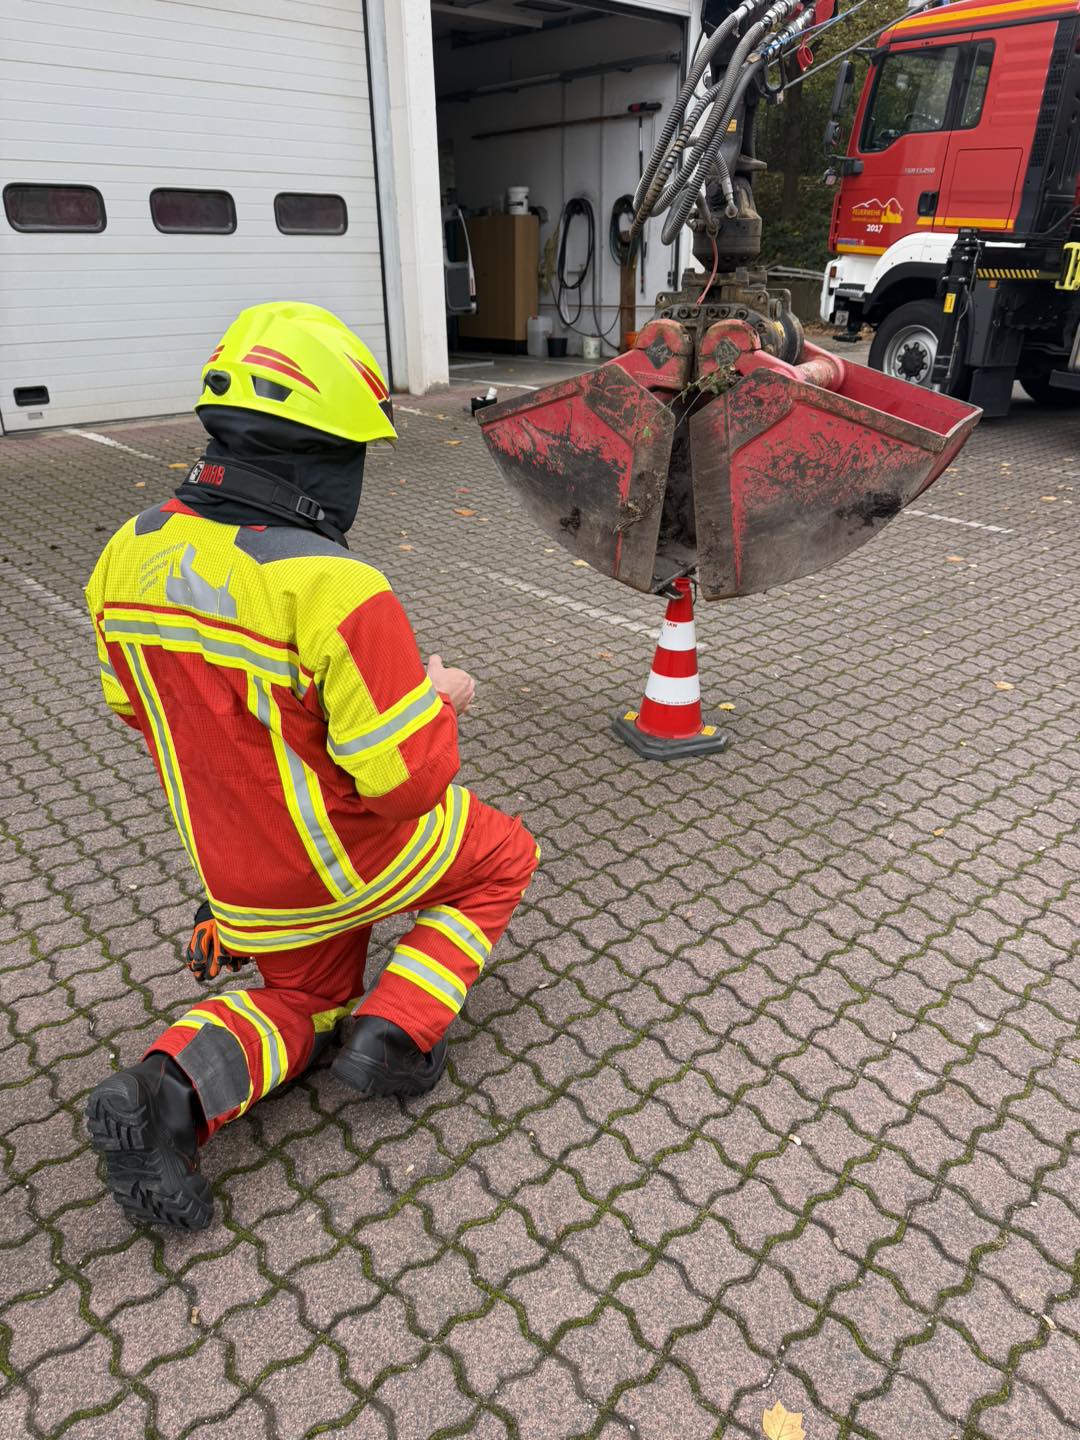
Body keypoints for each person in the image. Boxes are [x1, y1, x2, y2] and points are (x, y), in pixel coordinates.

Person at [83, 301, 539, 1231]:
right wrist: (440, 694)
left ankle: (167, 1094)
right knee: (503, 857)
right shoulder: (333, 584)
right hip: (351, 855)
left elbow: (138, 711)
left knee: (301, 997)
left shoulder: (122, 556)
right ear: (324, 453)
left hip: (238, 874)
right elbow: (405, 782)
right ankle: (398, 1031)